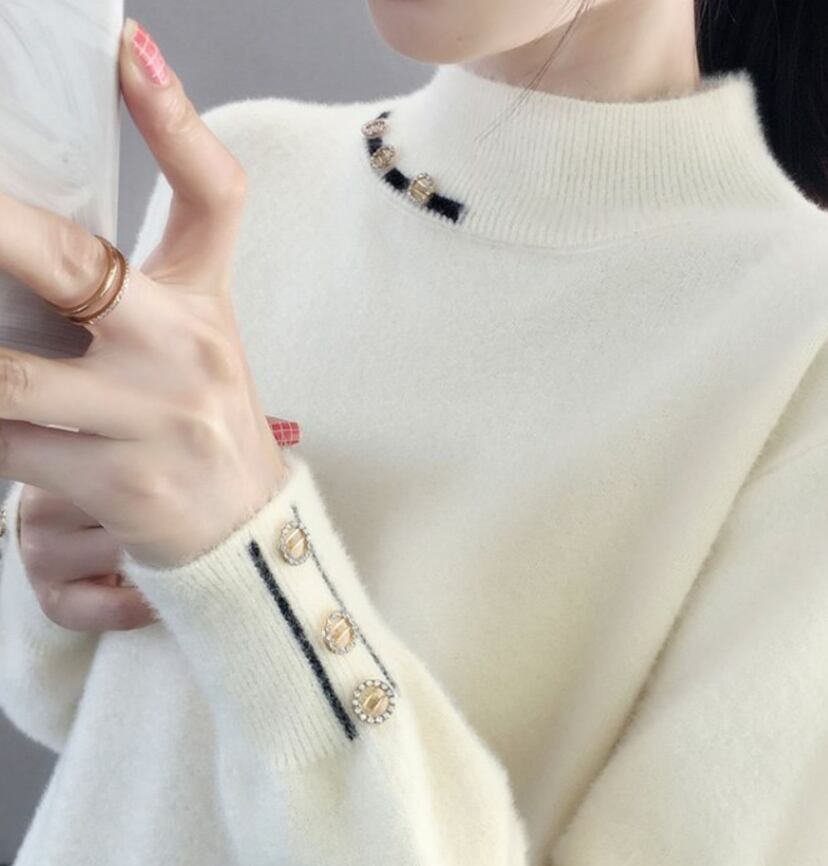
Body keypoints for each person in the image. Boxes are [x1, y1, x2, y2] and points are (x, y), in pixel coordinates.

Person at [1, 1, 827, 863]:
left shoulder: (800, 340)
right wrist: (56, 548)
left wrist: (249, 562)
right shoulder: (249, 167)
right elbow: (91, 731)